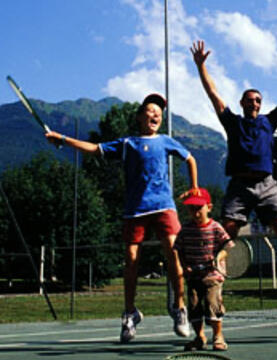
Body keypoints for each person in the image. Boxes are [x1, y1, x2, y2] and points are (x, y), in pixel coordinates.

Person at [45, 93, 198, 343]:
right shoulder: (128, 143)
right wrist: (62, 139)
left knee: (174, 255)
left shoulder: (166, 141)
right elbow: (95, 149)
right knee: (131, 262)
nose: (155, 114)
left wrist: (194, 187)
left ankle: (180, 309)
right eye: (150, 110)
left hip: (164, 207)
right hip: (135, 210)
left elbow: (190, 159)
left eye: (159, 112)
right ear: (139, 116)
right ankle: (130, 313)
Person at [190, 40, 277, 319]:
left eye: (258, 99)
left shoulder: (268, 122)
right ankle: (212, 291)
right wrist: (201, 66)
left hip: (268, 186)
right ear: (242, 103)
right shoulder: (232, 122)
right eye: (250, 100)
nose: (254, 103)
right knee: (224, 238)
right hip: (239, 187)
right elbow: (213, 93)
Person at [173, 188, 234, 352]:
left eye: (199, 208)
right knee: (193, 307)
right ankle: (200, 337)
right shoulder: (185, 230)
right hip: (193, 276)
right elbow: (178, 249)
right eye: (192, 208)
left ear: (209, 207)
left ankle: (218, 336)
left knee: (211, 303)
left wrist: (219, 257)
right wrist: (184, 265)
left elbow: (227, 247)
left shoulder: (216, 227)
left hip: (213, 276)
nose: (195, 212)